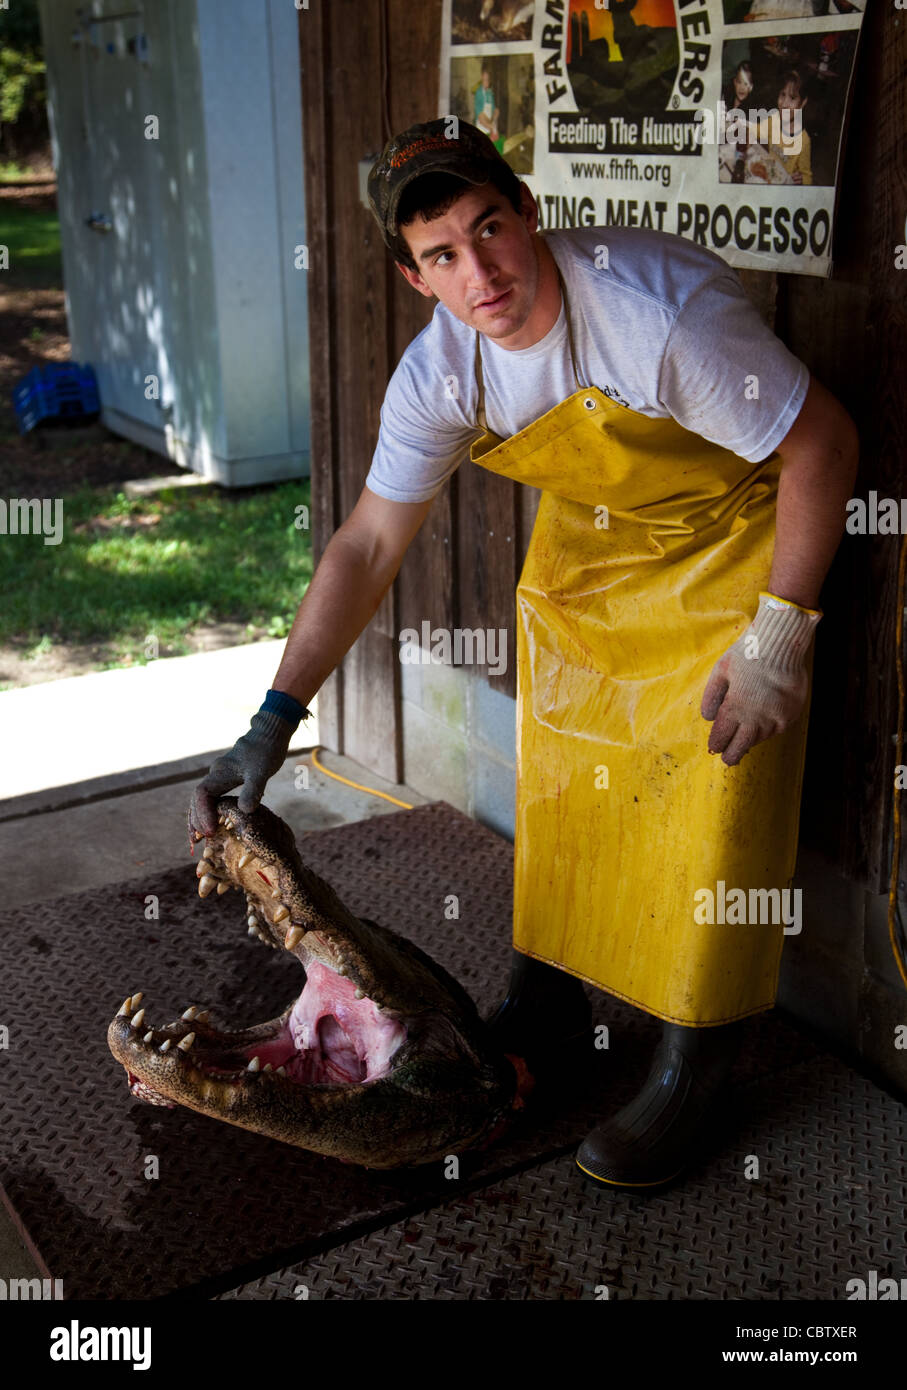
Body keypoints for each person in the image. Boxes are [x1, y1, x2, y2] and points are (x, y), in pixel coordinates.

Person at [189, 119, 858, 1191]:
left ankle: (698, 1059)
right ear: (414, 277)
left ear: (528, 211)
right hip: (594, 564)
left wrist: (781, 634)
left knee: (713, 804)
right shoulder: (440, 371)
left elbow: (823, 444)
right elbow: (366, 543)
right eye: (443, 253)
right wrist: (271, 720)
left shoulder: (654, 319)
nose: (480, 269)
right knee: (570, 796)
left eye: (488, 227)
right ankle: (548, 1006)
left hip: (736, 545)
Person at [770, 69, 813, 186]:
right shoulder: (774, 120)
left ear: (803, 103)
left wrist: (802, 180)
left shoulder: (804, 141)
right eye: (782, 95)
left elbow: (807, 178)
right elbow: (756, 129)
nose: (784, 104)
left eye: (792, 98)